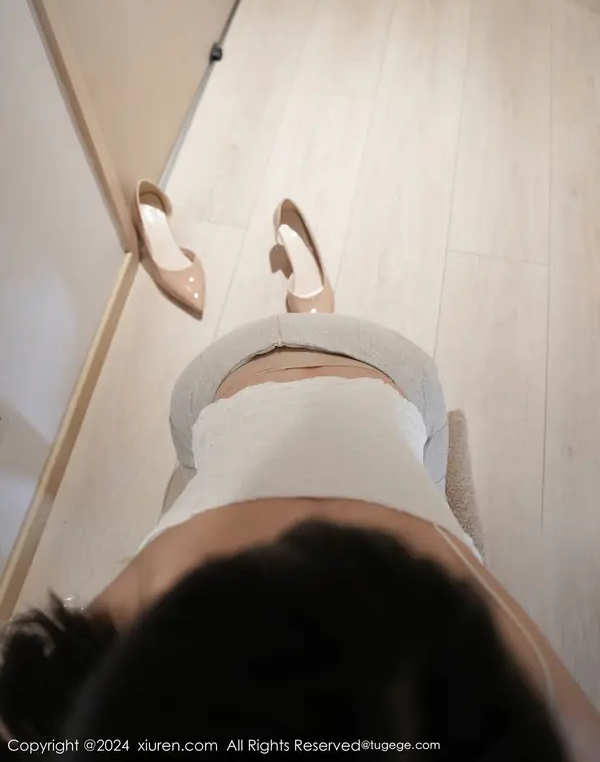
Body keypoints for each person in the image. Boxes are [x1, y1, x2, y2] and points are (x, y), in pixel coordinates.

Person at [1, 199, 598, 759]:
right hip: (263, 373)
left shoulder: (476, 646)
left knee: (203, 478)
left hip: (338, 368)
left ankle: (305, 292)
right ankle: (306, 291)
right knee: (203, 481)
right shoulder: (144, 613)